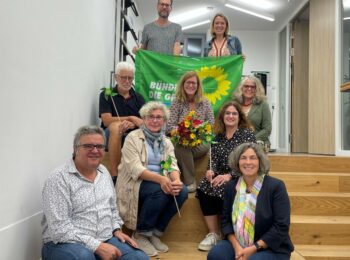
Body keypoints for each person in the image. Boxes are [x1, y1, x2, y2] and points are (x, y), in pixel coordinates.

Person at [41, 125, 148, 260]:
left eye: (99, 146)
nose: (95, 150)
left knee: (138, 257)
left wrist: (116, 229)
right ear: (76, 149)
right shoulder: (59, 178)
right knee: (85, 257)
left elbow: (112, 209)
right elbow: (59, 230)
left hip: (105, 238)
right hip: (63, 244)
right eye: (88, 146)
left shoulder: (104, 173)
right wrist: (97, 246)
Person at [116, 101, 188, 257]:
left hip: (158, 181)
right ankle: (140, 234)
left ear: (164, 121)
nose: (155, 120)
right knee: (160, 191)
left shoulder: (166, 141)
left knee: (182, 192)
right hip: (135, 182)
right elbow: (136, 169)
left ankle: (154, 233)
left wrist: (175, 180)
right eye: (151, 117)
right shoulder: (132, 138)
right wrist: (162, 180)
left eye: (159, 117)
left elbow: (172, 165)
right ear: (144, 118)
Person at [207, 143, 294, 260]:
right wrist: (237, 247)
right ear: (237, 162)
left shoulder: (276, 186)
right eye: (243, 158)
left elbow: (281, 226)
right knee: (215, 255)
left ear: (260, 161)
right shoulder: (231, 187)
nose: (248, 162)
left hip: (270, 247)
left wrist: (254, 248)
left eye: (253, 158)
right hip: (238, 243)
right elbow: (225, 222)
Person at [197, 102, 256, 251]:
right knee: (205, 185)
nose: (230, 116)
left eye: (234, 113)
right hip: (221, 175)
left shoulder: (246, 134)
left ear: (239, 117)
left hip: (243, 175)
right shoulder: (218, 137)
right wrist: (210, 171)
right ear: (222, 117)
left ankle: (231, 233)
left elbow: (251, 160)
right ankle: (213, 234)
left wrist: (230, 175)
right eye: (227, 113)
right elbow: (213, 160)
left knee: (225, 187)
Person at [167, 71, 215, 192]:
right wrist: (180, 131)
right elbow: (169, 126)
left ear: (198, 86)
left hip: (201, 142)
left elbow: (211, 123)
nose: (191, 85)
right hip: (181, 140)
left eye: (194, 83)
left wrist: (199, 133)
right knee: (181, 145)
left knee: (182, 148)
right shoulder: (177, 102)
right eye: (188, 82)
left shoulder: (205, 102)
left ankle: (188, 180)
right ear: (183, 84)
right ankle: (190, 182)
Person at [99, 61, 145, 179]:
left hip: (133, 134)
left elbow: (144, 122)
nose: (127, 81)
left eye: (130, 78)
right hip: (111, 134)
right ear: (116, 77)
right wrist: (131, 118)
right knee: (116, 127)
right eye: (124, 77)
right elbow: (106, 121)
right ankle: (115, 176)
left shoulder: (139, 98)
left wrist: (132, 124)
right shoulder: (106, 94)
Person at [233, 75, 272, 151]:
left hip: (258, 142)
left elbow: (267, 129)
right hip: (236, 142)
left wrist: (250, 139)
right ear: (241, 88)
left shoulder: (263, 104)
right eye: (246, 86)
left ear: (257, 89)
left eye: (253, 87)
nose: (249, 89)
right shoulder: (234, 103)